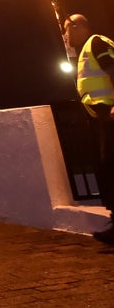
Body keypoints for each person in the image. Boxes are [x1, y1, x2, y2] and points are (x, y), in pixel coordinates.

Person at [64, 13, 114, 244]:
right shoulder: (86, 50)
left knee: (111, 166)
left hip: (110, 114)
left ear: (77, 27)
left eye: (66, 30)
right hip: (102, 117)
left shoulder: (96, 42)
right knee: (107, 168)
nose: (65, 36)